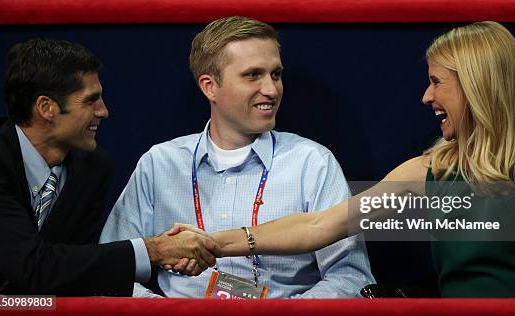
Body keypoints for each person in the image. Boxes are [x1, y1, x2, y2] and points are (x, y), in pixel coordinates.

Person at [189, 21, 515, 297]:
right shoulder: (427, 171)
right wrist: (212, 244)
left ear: (478, 88)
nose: (426, 97)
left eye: (437, 82)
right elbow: (319, 225)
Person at [100, 16, 374, 298]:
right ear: (209, 86)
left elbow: (351, 278)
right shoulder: (160, 164)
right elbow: (110, 270)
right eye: (253, 75)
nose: (271, 89)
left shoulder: (312, 162)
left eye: (276, 74)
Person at [0, 38, 218, 296]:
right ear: (46, 108)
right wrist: (154, 250)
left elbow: (76, 268)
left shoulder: (93, 169)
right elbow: (33, 267)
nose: (103, 111)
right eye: (90, 100)